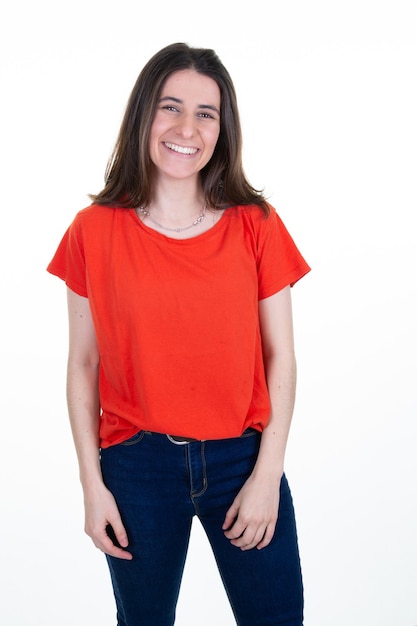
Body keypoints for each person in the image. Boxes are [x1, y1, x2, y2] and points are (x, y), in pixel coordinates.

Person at [47, 42, 311, 626]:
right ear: (144, 115)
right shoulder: (92, 231)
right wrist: (92, 486)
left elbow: (282, 358)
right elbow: (82, 365)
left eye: (205, 113)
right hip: (135, 466)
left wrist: (268, 474)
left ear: (223, 129)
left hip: (242, 460)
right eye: (170, 107)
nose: (186, 127)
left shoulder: (256, 224)